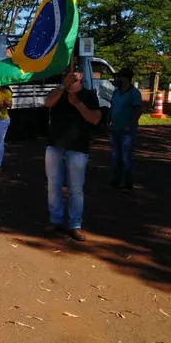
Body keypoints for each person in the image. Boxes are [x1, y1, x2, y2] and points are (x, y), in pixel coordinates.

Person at [43, 71, 102, 241]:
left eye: (75, 74)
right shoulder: (58, 92)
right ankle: (56, 220)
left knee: (76, 189)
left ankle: (75, 225)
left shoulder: (89, 95)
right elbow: (47, 103)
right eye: (69, 75)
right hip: (54, 146)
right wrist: (63, 86)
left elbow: (95, 119)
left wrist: (77, 103)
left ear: (82, 76)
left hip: (77, 148)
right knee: (53, 186)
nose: (72, 77)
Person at [109, 68, 143, 190]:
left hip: (127, 130)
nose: (118, 79)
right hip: (115, 127)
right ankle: (116, 179)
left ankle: (128, 181)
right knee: (115, 155)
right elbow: (112, 106)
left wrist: (131, 124)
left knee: (125, 156)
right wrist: (108, 120)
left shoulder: (134, 93)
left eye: (120, 77)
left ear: (126, 78)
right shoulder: (116, 92)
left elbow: (138, 110)